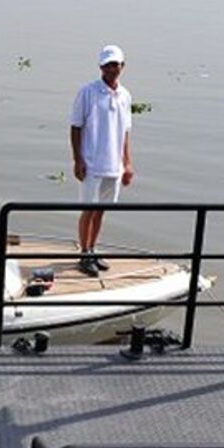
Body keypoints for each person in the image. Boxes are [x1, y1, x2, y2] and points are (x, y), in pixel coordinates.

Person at [68, 44, 134, 277]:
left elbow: (125, 132)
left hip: (113, 166)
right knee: (88, 209)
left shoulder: (125, 95)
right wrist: (77, 160)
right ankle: (84, 253)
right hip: (92, 163)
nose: (112, 68)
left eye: (115, 64)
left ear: (122, 66)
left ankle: (93, 249)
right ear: (101, 67)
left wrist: (127, 164)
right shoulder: (88, 92)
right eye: (108, 64)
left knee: (101, 210)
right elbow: (76, 127)